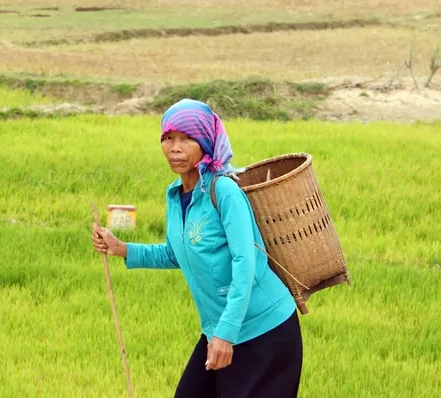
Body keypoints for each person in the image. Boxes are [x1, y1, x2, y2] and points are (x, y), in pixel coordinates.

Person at [92, 99, 303, 398]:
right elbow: (174, 253)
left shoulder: (224, 191)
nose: (175, 148)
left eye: (186, 139)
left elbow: (247, 263)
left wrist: (225, 334)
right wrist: (122, 248)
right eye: (168, 138)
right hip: (219, 329)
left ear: (205, 142)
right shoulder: (175, 194)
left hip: (264, 332)